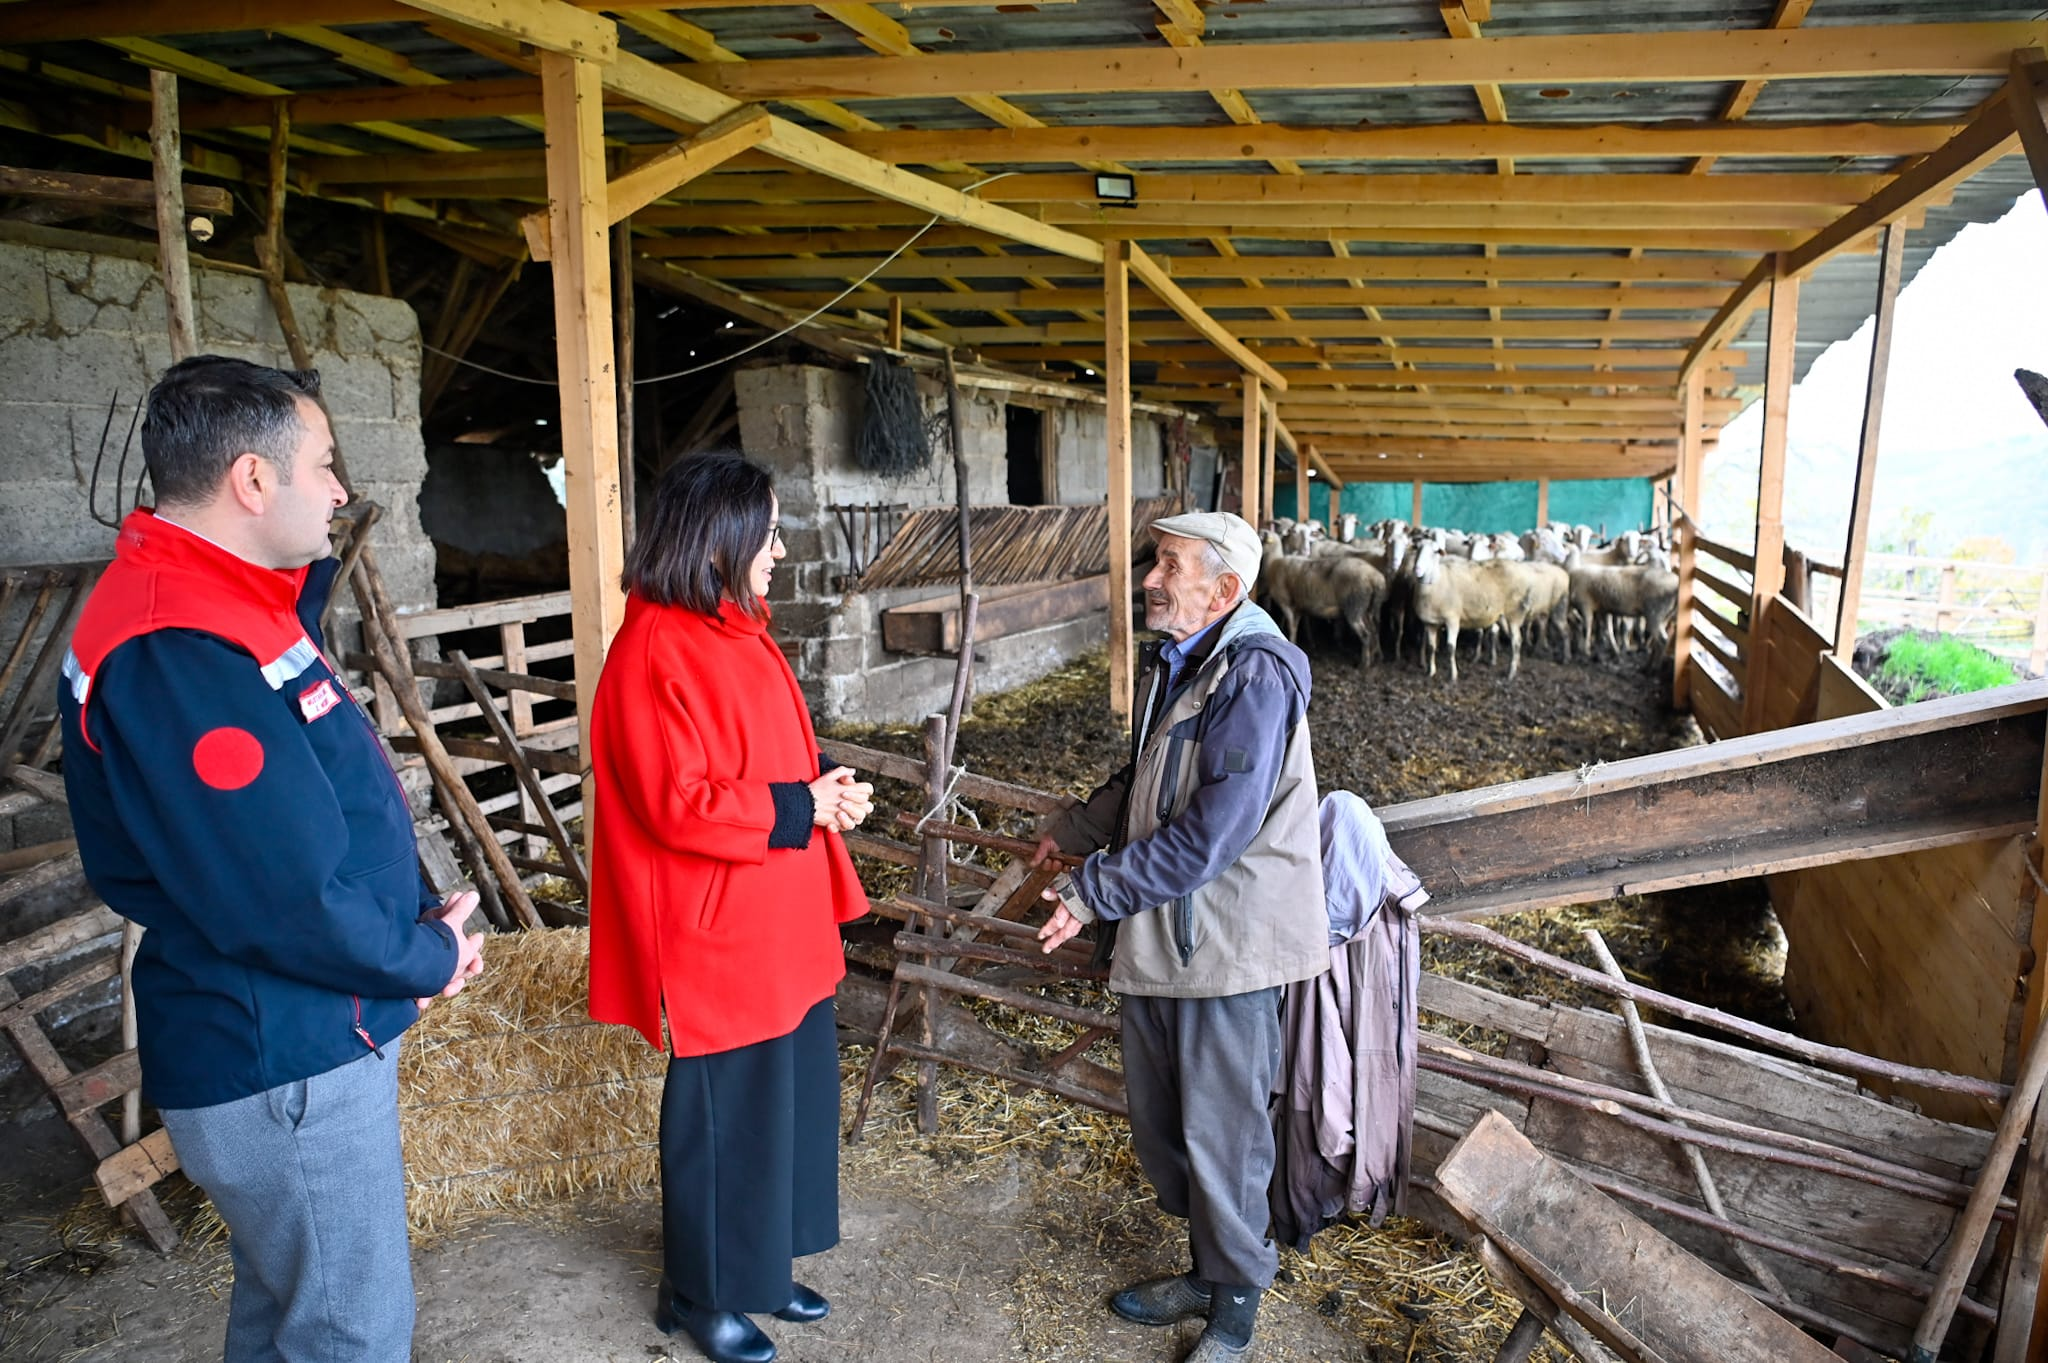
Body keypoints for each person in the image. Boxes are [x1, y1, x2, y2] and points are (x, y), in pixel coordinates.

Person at [58, 355, 486, 1363]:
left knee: (290, 1315)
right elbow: (280, 897)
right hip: (279, 1049)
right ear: (253, 480)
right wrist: (423, 959)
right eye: (325, 464)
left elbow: (297, 831)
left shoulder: (222, 607)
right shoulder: (178, 643)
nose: (340, 492)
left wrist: (409, 934)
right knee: (348, 1332)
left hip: (290, 1031)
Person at [586, 453, 874, 1363]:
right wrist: (800, 807)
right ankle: (701, 1293)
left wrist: (825, 795)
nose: (781, 550)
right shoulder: (650, 649)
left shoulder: (736, 630)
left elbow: (769, 765)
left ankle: (755, 1265)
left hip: (780, 913)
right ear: (721, 537)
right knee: (724, 1116)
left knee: (785, 1104)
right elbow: (679, 800)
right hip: (716, 930)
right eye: (771, 532)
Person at [1034, 511, 1328, 1363]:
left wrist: (1093, 890)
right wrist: (1082, 825)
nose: (1152, 578)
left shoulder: (1256, 676)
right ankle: (1208, 1268)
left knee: (1224, 1129)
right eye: (1157, 560)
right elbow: (1150, 771)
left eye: (1170, 564)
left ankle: (1235, 1304)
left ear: (1224, 588)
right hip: (1175, 933)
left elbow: (1213, 834)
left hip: (1227, 942)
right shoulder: (1190, 659)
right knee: (1170, 1123)